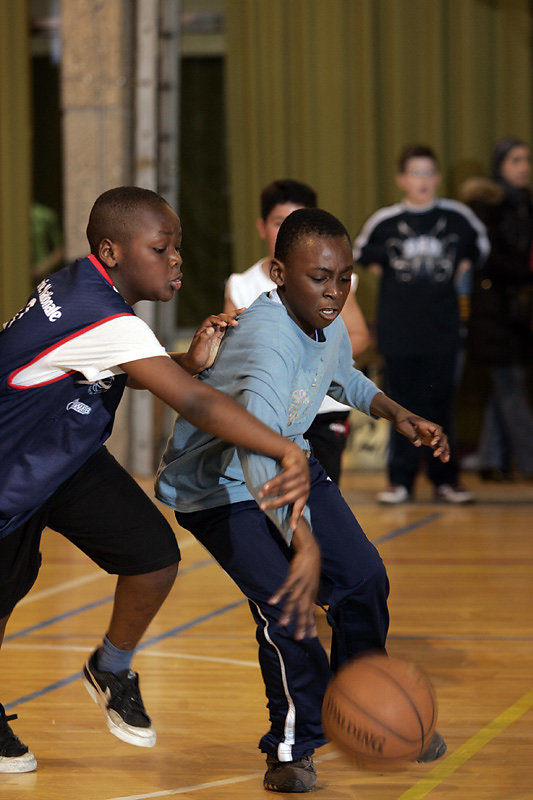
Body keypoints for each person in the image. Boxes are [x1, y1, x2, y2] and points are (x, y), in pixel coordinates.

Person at [0, 186, 312, 773]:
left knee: (153, 555)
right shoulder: (100, 312)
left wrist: (185, 362)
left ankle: (111, 666)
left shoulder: (87, 289)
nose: (177, 259)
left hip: (61, 456)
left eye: (178, 248)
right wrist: (283, 450)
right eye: (162, 248)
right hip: (10, 468)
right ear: (113, 252)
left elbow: (120, 363)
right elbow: (196, 403)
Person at [156, 208, 449, 793]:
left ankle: (366, 701)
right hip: (219, 487)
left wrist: (398, 414)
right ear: (278, 272)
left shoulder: (324, 317)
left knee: (363, 577)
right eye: (320, 277)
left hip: (286, 461)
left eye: (344, 278)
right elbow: (254, 454)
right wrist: (303, 540)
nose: (335, 292)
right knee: (288, 608)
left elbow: (341, 375)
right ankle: (292, 747)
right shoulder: (267, 344)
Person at [353, 144, 489, 505]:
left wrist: (461, 269)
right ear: (402, 179)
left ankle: (446, 480)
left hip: (442, 331)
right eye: (415, 173)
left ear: (438, 177)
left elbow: (480, 248)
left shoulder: (457, 217)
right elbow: (361, 253)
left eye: (429, 172)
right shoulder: (385, 221)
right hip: (399, 332)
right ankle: (401, 480)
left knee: (441, 405)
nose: (423, 180)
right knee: (401, 405)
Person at [224, 178, 370, 484]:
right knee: (271, 496)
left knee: (320, 496)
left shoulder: (334, 283)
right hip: (269, 416)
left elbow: (358, 336)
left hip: (322, 412)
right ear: (262, 227)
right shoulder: (242, 285)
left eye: (298, 221)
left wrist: (310, 361)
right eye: (280, 222)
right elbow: (230, 351)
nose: (288, 231)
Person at [460, 138, 533, 480]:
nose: (524, 166)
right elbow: (494, 259)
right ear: (500, 166)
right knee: (510, 387)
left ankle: (491, 459)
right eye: (515, 160)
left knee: (505, 388)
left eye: (526, 160)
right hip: (493, 313)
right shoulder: (487, 208)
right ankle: (529, 461)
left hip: (518, 313)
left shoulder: (525, 204)